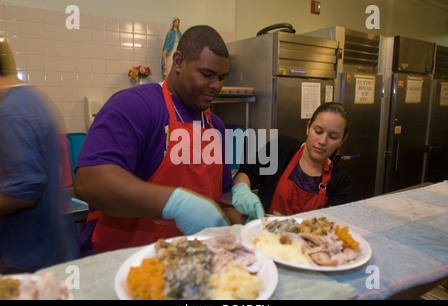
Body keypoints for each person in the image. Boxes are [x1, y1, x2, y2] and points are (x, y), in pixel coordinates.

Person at [74, 25, 235, 256]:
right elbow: (89, 181)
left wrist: (243, 225)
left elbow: (224, 194)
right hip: (124, 264)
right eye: (207, 74)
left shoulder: (215, 126)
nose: (216, 86)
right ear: (178, 62)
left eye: (221, 78)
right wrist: (177, 203)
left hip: (191, 264)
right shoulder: (134, 106)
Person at [0, 38, 79, 274]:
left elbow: (24, 190)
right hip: (47, 249)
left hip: (28, 257)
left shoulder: (9, 111)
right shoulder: (31, 98)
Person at [232, 102, 351, 218]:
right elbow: (248, 172)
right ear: (308, 127)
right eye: (318, 131)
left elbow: (330, 223)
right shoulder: (282, 147)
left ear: (342, 140)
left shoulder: (340, 182)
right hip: (264, 235)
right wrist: (242, 191)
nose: (322, 141)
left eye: (333, 137)